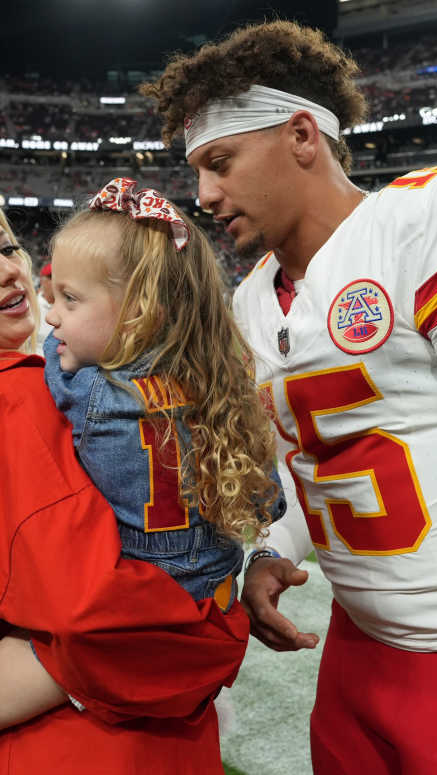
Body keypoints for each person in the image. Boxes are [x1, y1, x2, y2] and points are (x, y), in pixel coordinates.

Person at [142, 21, 437, 775]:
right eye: (197, 169)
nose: (204, 194)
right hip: (359, 654)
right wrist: (271, 550)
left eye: (219, 162)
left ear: (301, 135)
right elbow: (309, 461)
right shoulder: (255, 302)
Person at [0, 205, 250, 773]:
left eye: (7, 247)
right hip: (94, 743)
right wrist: (223, 615)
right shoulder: (20, 396)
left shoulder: (69, 375)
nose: (6, 272)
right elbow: (111, 622)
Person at [42, 177, 284, 607]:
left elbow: (44, 369)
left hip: (136, 598)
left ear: (137, 314)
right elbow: (272, 503)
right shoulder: (223, 383)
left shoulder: (89, 389)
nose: (53, 317)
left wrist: (60, 351)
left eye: (69, 299)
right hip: (218, 594)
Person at [35, 260, 53, 355]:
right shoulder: (31, 306)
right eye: (50, 277)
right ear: (42, 280)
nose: (55, 281)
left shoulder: (70, 307)